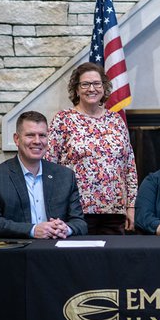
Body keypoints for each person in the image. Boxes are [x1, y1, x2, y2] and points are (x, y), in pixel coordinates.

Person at [45, 62, 137, 235]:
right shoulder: (63, 119)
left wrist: (131, 206)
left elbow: (129, 166)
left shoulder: (116, 120)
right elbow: (50, 165)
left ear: (103, 87)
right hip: (75, 211)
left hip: (114, 212)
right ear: (77, 89)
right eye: (85, 84)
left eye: (96, 83)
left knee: (113, 260)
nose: (91, 88)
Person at [0, 111, 88, 239]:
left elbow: (80, 223)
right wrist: (32, 230)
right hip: (18, 253)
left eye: (42, 135)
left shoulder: (65, 176)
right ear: (16, 139)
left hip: (56, 252)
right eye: (30, 135)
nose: (37, 141)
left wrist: (66, 229)